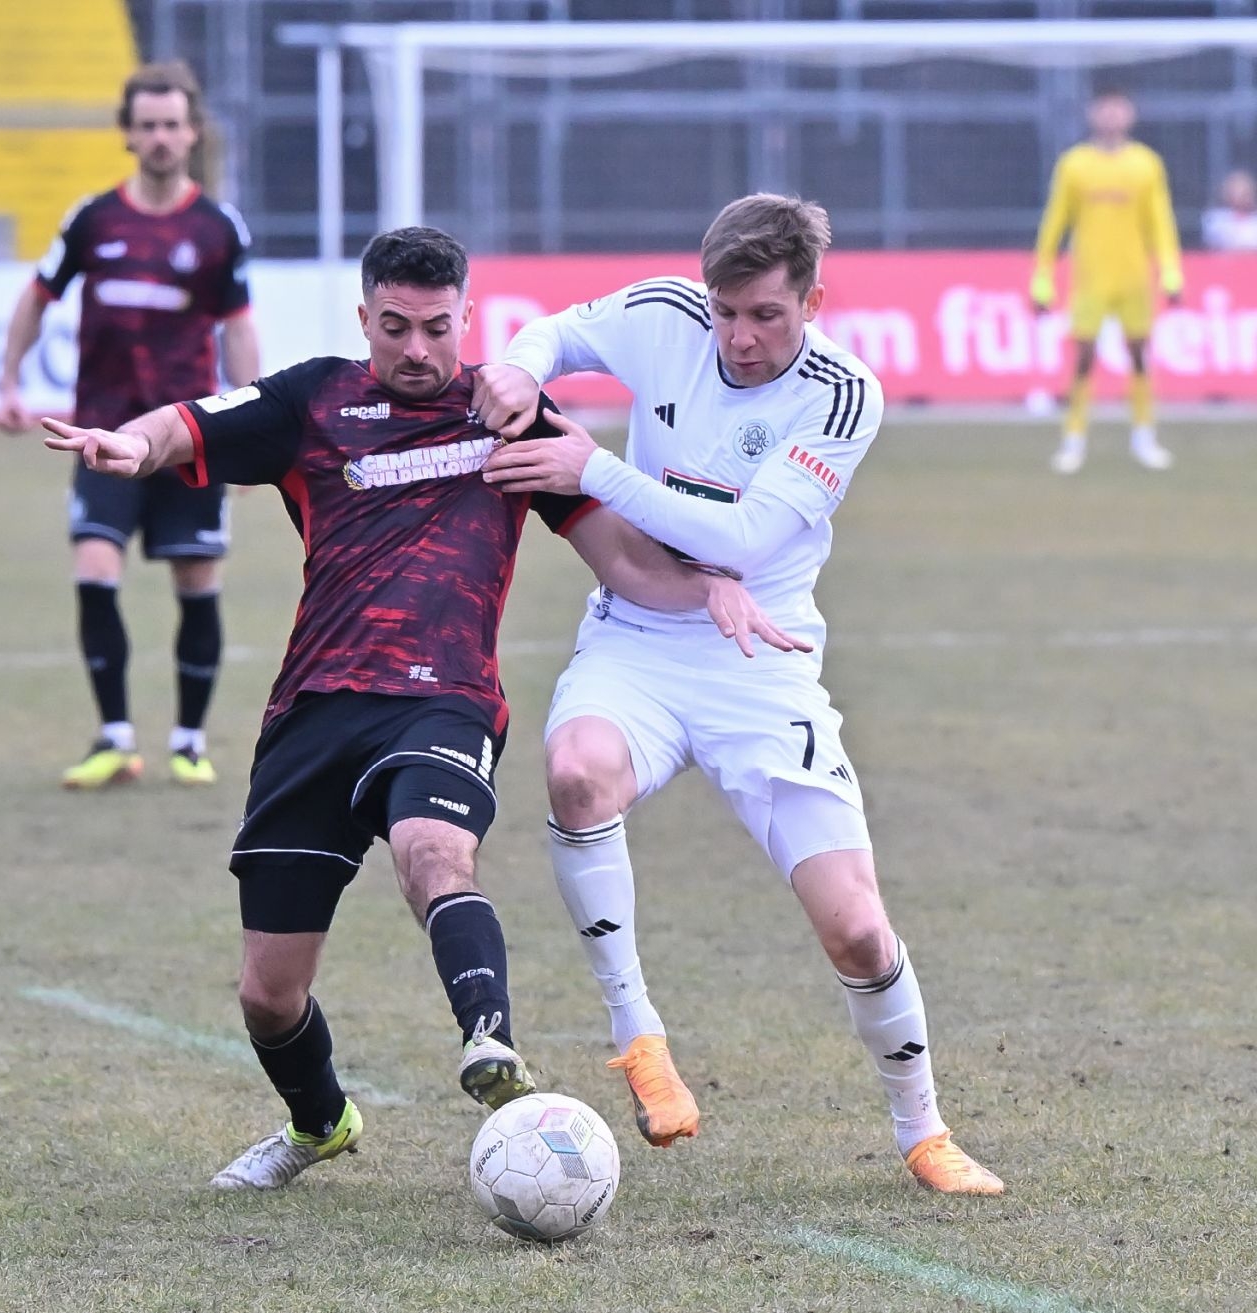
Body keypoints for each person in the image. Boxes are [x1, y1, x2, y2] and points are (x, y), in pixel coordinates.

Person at [42, 225, 807, 1191]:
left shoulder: (511, 415)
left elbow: (620, 557)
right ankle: (321, 1122)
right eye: (395, 326)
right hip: (314, 709)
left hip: (443, 699)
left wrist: (710, 588)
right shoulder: (312, 401)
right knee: (269, 994)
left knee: (433, 852)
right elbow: (190, 424)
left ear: (466, 318)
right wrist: (130, 444)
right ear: (364, 317)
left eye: (437, 328)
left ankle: (490, 1041)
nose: (416, 348)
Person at [475, 194, 1005, 1196]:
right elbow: (557, 331)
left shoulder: (841, 392)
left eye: (766, 314)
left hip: (761, 659)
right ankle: (638, 1034)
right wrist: (520, 366)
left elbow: (743, 539)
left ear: (812, 301)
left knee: (857, 927)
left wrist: (594, 467)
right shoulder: (667, 313)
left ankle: (923, 1129)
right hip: (638, 638)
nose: (739, 336)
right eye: (725, 311)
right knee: (576, 773)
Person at [0, 60, 259, 789]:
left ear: (192, 132)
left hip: (188, 435)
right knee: (94, 569)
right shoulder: (93, 219)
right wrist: (9, 379)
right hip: (102, 436)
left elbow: (239, 327)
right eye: (148, 125)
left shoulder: (217, 228)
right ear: (128, 134)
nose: (161, 137)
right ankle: (114, 737)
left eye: (172, 124)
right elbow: (37, 296)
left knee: (196, 582)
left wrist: (249, 425)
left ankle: (189, 741)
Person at [1031, 89, 1183, 474]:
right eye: (1105, 109)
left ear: (1129, 115)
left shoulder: (1146, 164)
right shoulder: (1075, 164)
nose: (1112, 116)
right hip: (1091, 278)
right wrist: (1042, 276)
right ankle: (1073, 439)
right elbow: (1056, 221)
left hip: (1133, 278)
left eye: (1119, 109)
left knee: (1140, 357)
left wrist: (1170, 270)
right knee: (1083, 358)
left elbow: (1160, 221)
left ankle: (1144, 437)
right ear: (1093, 114)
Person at [1202, 168, 1257, 252]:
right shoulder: (1215, 219)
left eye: (1244, 191)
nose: (1240, 196)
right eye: (1236, 190)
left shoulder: (1254, 220)